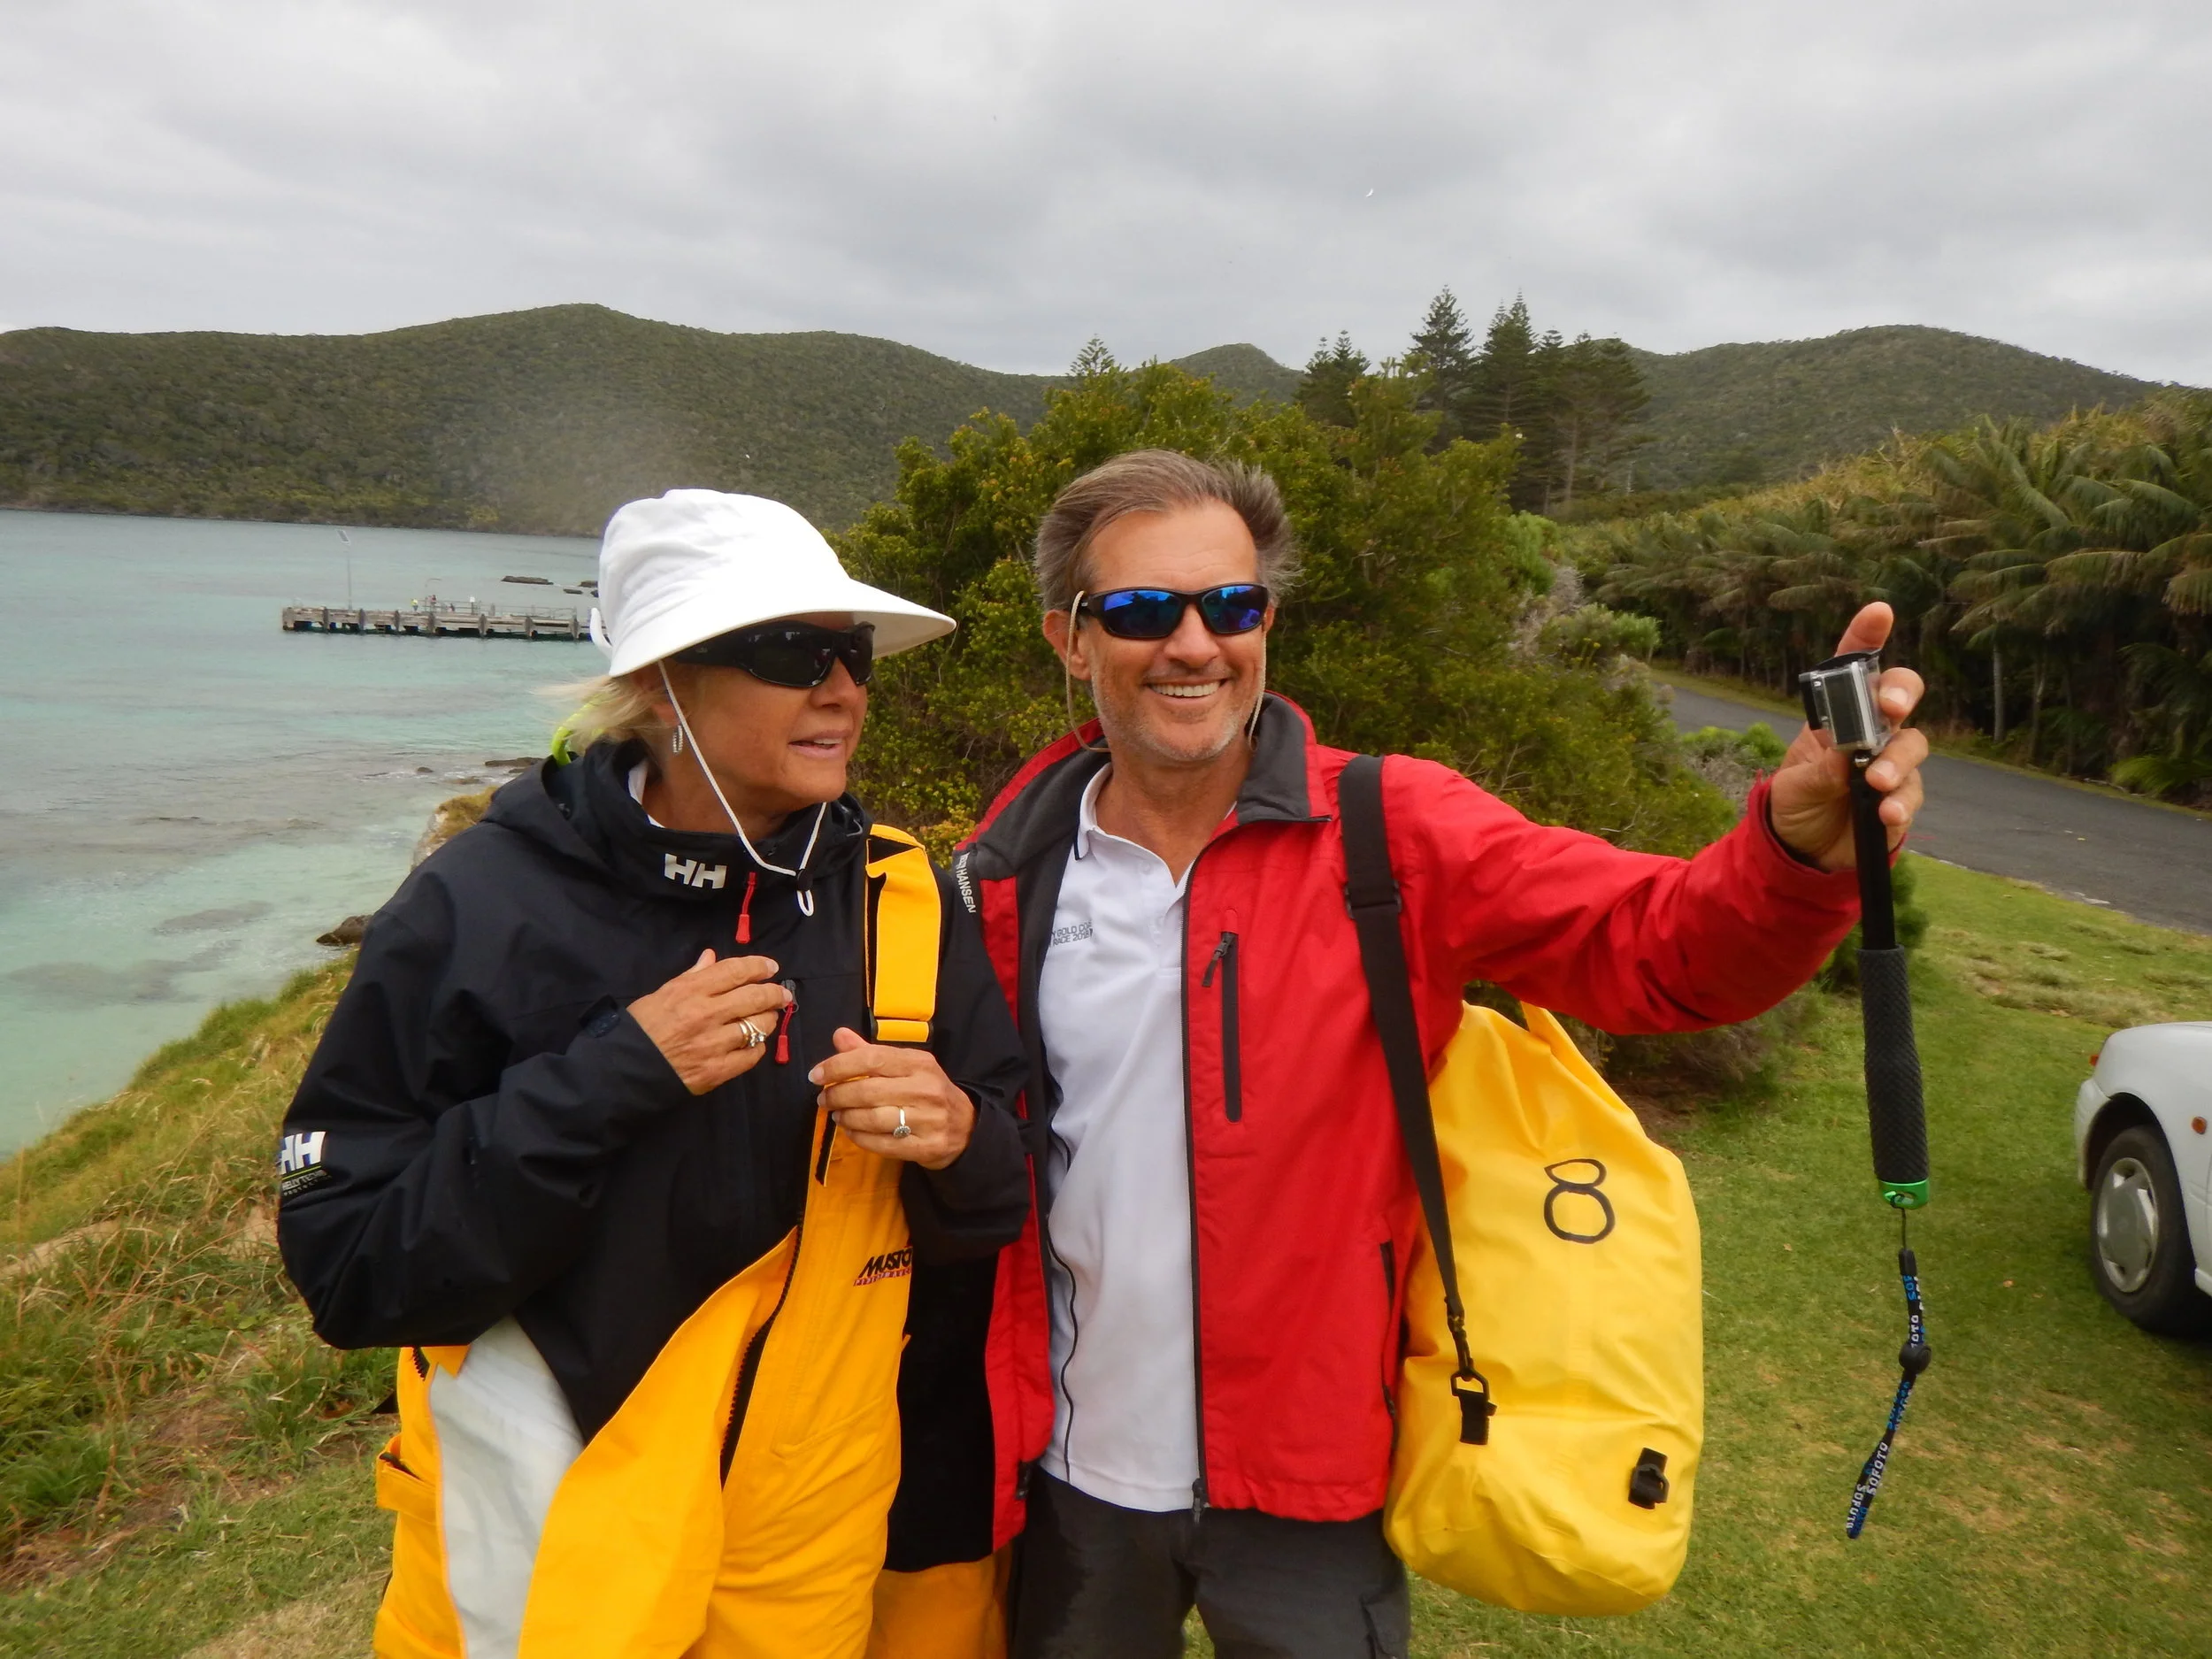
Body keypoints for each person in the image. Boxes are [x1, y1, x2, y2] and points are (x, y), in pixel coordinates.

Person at [947, 449, 1932, 1659]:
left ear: (1268, 622)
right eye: (1146, 611)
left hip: (1316, 1473)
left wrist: (1791, 852)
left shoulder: (1391, 829)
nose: (1195, 644)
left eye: (1233, 605)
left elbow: (1660, 950)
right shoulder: (1002, 874)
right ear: (1070, 638)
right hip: (1071, 1473)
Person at [275, 489, 1029, 1659]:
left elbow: (999, 1192)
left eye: (854, 651)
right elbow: (352, 1266)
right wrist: (616, 1074)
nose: (843, 689)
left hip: (803, 1559)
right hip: (551, 1548)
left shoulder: (906, 905)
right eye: (792, 651)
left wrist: (958, 1135)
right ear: (660, 687)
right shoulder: (477, 905)